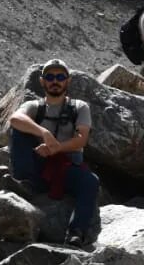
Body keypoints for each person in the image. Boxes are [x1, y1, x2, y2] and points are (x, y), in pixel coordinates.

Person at [8, 59, 100, 246]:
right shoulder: (35, 106)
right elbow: (15, 119)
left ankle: (76, 232)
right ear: (42, 81)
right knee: (19, 130)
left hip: (66, 168)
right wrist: (44, 133)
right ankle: (25, 183)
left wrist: (56, 148)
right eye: (50, 77)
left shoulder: (79, 107)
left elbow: (81, 139)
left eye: (60, 77)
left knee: (91, 182)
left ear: (68, 81)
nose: (55, 81)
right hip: (38, 165)